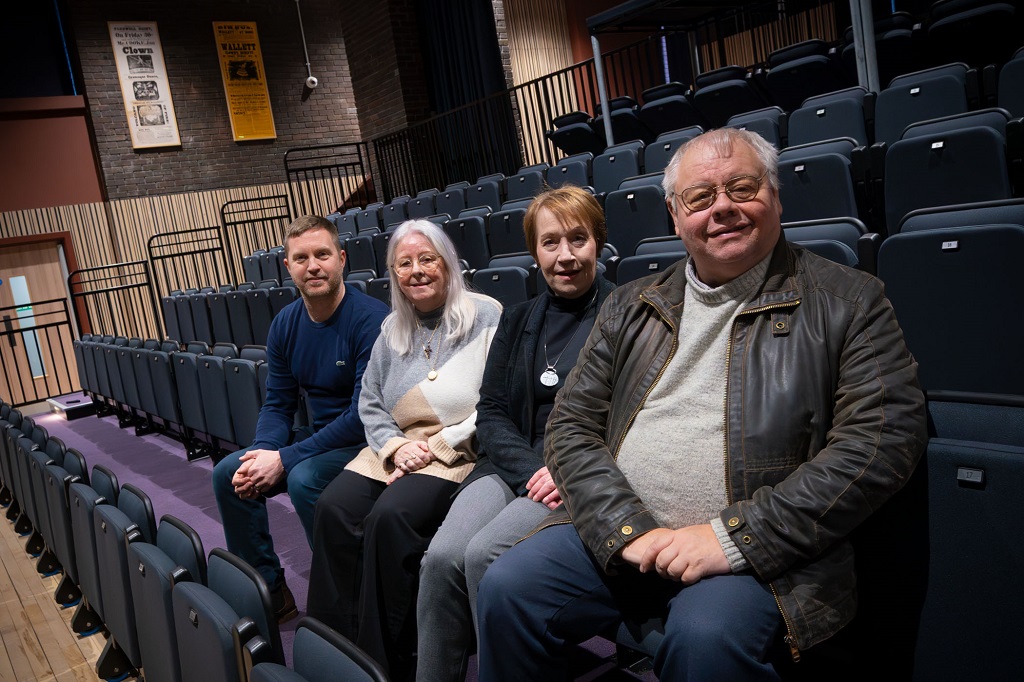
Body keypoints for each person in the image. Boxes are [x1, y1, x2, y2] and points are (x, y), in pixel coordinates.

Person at [476, 128, 928, 681]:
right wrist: (627, 529)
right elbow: (570, 426)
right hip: (624, 536)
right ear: (674, 215)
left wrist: (732, 537)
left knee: (705, 637)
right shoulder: (630, 305)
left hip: (761, 558)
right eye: (700, 198)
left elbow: (881, 443)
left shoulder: (851, 302)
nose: (724, 209)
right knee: (507, 586)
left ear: (776, 196)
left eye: (742, 188)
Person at [416, 186, 616, 682]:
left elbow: (632, 417)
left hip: (573, 475)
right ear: (534, 252)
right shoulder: (521, 318)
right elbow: (493, 411)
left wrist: (562, 470)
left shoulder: (624, 314)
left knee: (486, 555)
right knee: (441, 559)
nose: (565, 256)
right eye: (550, 243)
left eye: (578, 239)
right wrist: (530, 469)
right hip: (517, 466)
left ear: (599, 243)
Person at [306, 219, 502, 681]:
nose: (416, 270)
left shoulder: (486, 313)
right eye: (404, 263)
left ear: (447, 262)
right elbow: (369, 400)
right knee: (333, 508)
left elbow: (497, 399)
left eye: (427, 259)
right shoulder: (392, 327)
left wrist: (434, 446)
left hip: (457, 449)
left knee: (391, 518)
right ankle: (334, 648)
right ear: (394, 274)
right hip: (395, 445)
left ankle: (386, 660)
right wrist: (395, 448)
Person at [212, 215, 388, 622]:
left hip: (368, 436)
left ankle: (349, 602)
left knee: (303, 477)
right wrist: (262, 453)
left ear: (341, 259)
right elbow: (277, 404)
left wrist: (285, 459)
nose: (313, 266)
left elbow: (363, 415)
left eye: (322, 254)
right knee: (229, 473)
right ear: (287, 267)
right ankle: (271, 591)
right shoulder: (285, 324)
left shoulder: (370, 318)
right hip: (323, 435)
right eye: (301, 258)